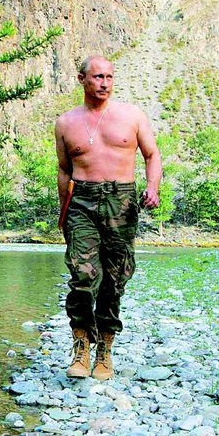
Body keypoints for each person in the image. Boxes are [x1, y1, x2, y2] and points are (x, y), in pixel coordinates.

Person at [54, 55, 162, 380]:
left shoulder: (132, 116)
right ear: (82, 79)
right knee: (82, 276)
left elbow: (152, 154)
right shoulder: (65, 123)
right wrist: (64, 213)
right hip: (81, 202)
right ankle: (81, 347)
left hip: (121, 200)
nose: (104, 83)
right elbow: (64, 170)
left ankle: (105, 351)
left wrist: (153, 187)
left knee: (115, 279)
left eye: (109, 77)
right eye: (98, 77)